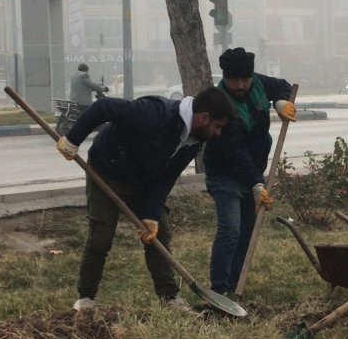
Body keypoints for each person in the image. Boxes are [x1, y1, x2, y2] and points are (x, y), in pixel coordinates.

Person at [56, 87, 236, 313]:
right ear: (204, 118)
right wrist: (73, 139)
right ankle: (86, 299)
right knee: (101, 236)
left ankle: (169, 298)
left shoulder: (194, 140)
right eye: (218, 126)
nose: (218, 133)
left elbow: (165, 178)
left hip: (143, 182)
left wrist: (150, 214)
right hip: (106, 172)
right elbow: (104, 107)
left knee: (159, 234)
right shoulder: (154, 113)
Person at [202, 47, 296, 294]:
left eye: (246, 79)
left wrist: (280, 100)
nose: (241, 85)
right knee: (230, 229)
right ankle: (219, 289)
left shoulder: (258, 85)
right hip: (225, 173)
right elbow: (236, 152)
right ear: (225, 78)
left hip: (253, 169)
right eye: (235, 80)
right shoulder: (218, 101)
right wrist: (257, 183)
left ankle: (235, 284)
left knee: (246, 231)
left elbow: (282, 85)